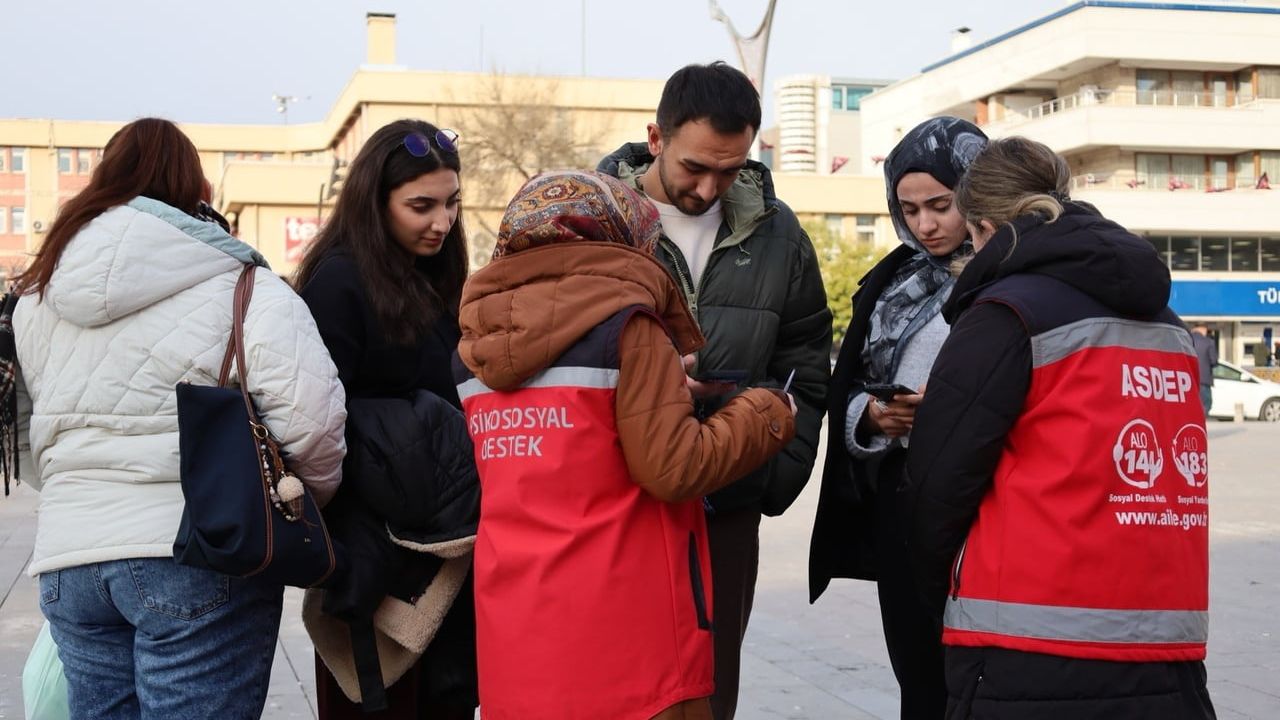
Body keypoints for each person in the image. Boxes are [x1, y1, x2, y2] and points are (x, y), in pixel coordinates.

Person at [10, 117, 347, 719]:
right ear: (197, 192)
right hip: (201, 549)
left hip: (70, 559)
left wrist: (79, 492)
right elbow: (313, 423)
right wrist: (295, 503)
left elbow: (25, 426)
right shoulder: (247, 285)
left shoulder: (37, 298)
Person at [454, 169, 797, 720]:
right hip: (625, 634)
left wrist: (660, 388)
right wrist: (767, 412)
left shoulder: (476, 346)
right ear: (621, 237)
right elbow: (674, 468)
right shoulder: (628, 328)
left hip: (517, 627)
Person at [905, 136, 1215, 719]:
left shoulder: (1005, 314)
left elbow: (938, 483)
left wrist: (934, 590)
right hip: (1166, 642)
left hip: (1027, 642)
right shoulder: (1169, 324)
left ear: (986, 229)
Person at [597, 62, 831, 718]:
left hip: (730, 497)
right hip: (617, 502)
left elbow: (808, 360)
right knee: (616, 682)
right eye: (695, 167)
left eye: (729, 170)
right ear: (655, 137)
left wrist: (778, 468)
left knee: (711, 682)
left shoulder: (780, 233)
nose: (709, 186)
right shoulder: (592, 219)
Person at [294, 119, 478, 719]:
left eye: (452, 203)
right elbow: (318, 422)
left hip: (442, 545)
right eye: (421, 205)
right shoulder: (339, 279)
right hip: (370, 546)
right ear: (376, 202)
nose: (442, 222)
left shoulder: (434, 275)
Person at [808, 117, 988, 719]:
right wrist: (871, 416)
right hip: (902, 505)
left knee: (980, 676)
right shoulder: (894, 280)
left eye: (941, 205)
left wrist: (946, 412)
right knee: (919, 677)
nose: (925, 224)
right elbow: (850, 384)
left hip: (983, 506)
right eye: (909, 209)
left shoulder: (1011, 276)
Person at [1190, 324, 1217, 417]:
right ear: (1203, 329)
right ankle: (1200, 425)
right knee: (1206, 404)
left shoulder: (1186, 340)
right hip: (1203, 380)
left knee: (1191, 405)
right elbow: (1213, 361)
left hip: (1188, 379)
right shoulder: (1209, 342)